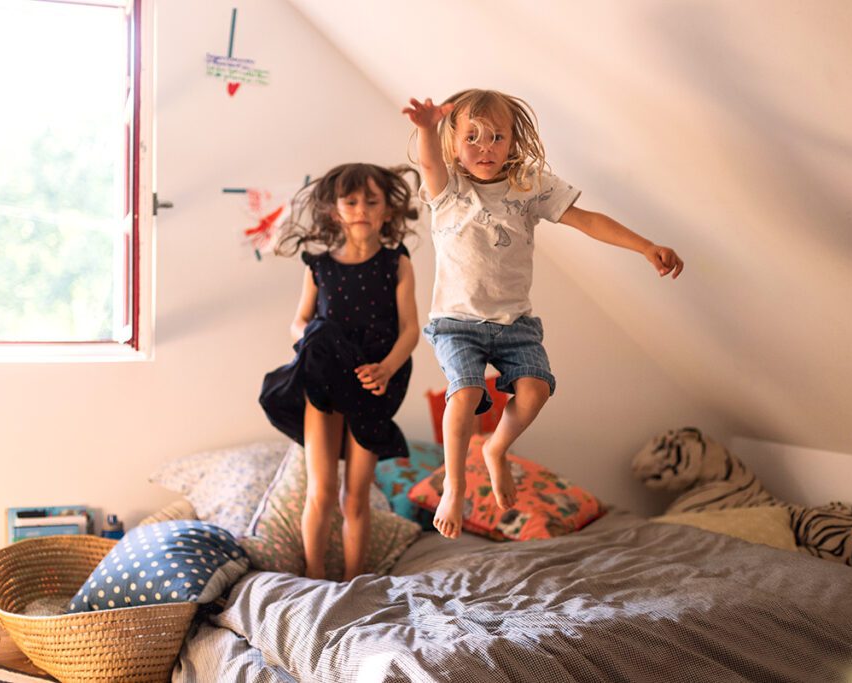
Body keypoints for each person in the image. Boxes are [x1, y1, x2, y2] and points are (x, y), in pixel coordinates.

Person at [403, 89, 684, 539]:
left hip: (514, 323)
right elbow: (430, 162)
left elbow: (586, 219)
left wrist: (645, 246)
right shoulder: (449, 189)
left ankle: (496, 450)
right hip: (457, 322)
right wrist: (424, 128)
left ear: (513, 141)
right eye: (471, 137)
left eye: (497, 137)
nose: (485, 147)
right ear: (452, 143)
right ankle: (455, 487)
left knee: (535, 392)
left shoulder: (528, 185)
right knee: (466, 394)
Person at [259, 163, 420, 579]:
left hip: (373, 382)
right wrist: (310, 341)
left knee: (355, 498)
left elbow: (410, 330)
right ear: (335, 211)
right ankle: (313, 576)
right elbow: (299, 322)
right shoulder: (319, 266)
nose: (361, 208)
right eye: (351, 201)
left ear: (387, 211)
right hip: (325, 382)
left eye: (372, 200)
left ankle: (356, 580)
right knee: (323, 491)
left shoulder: (396, 263)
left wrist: (385, 369)